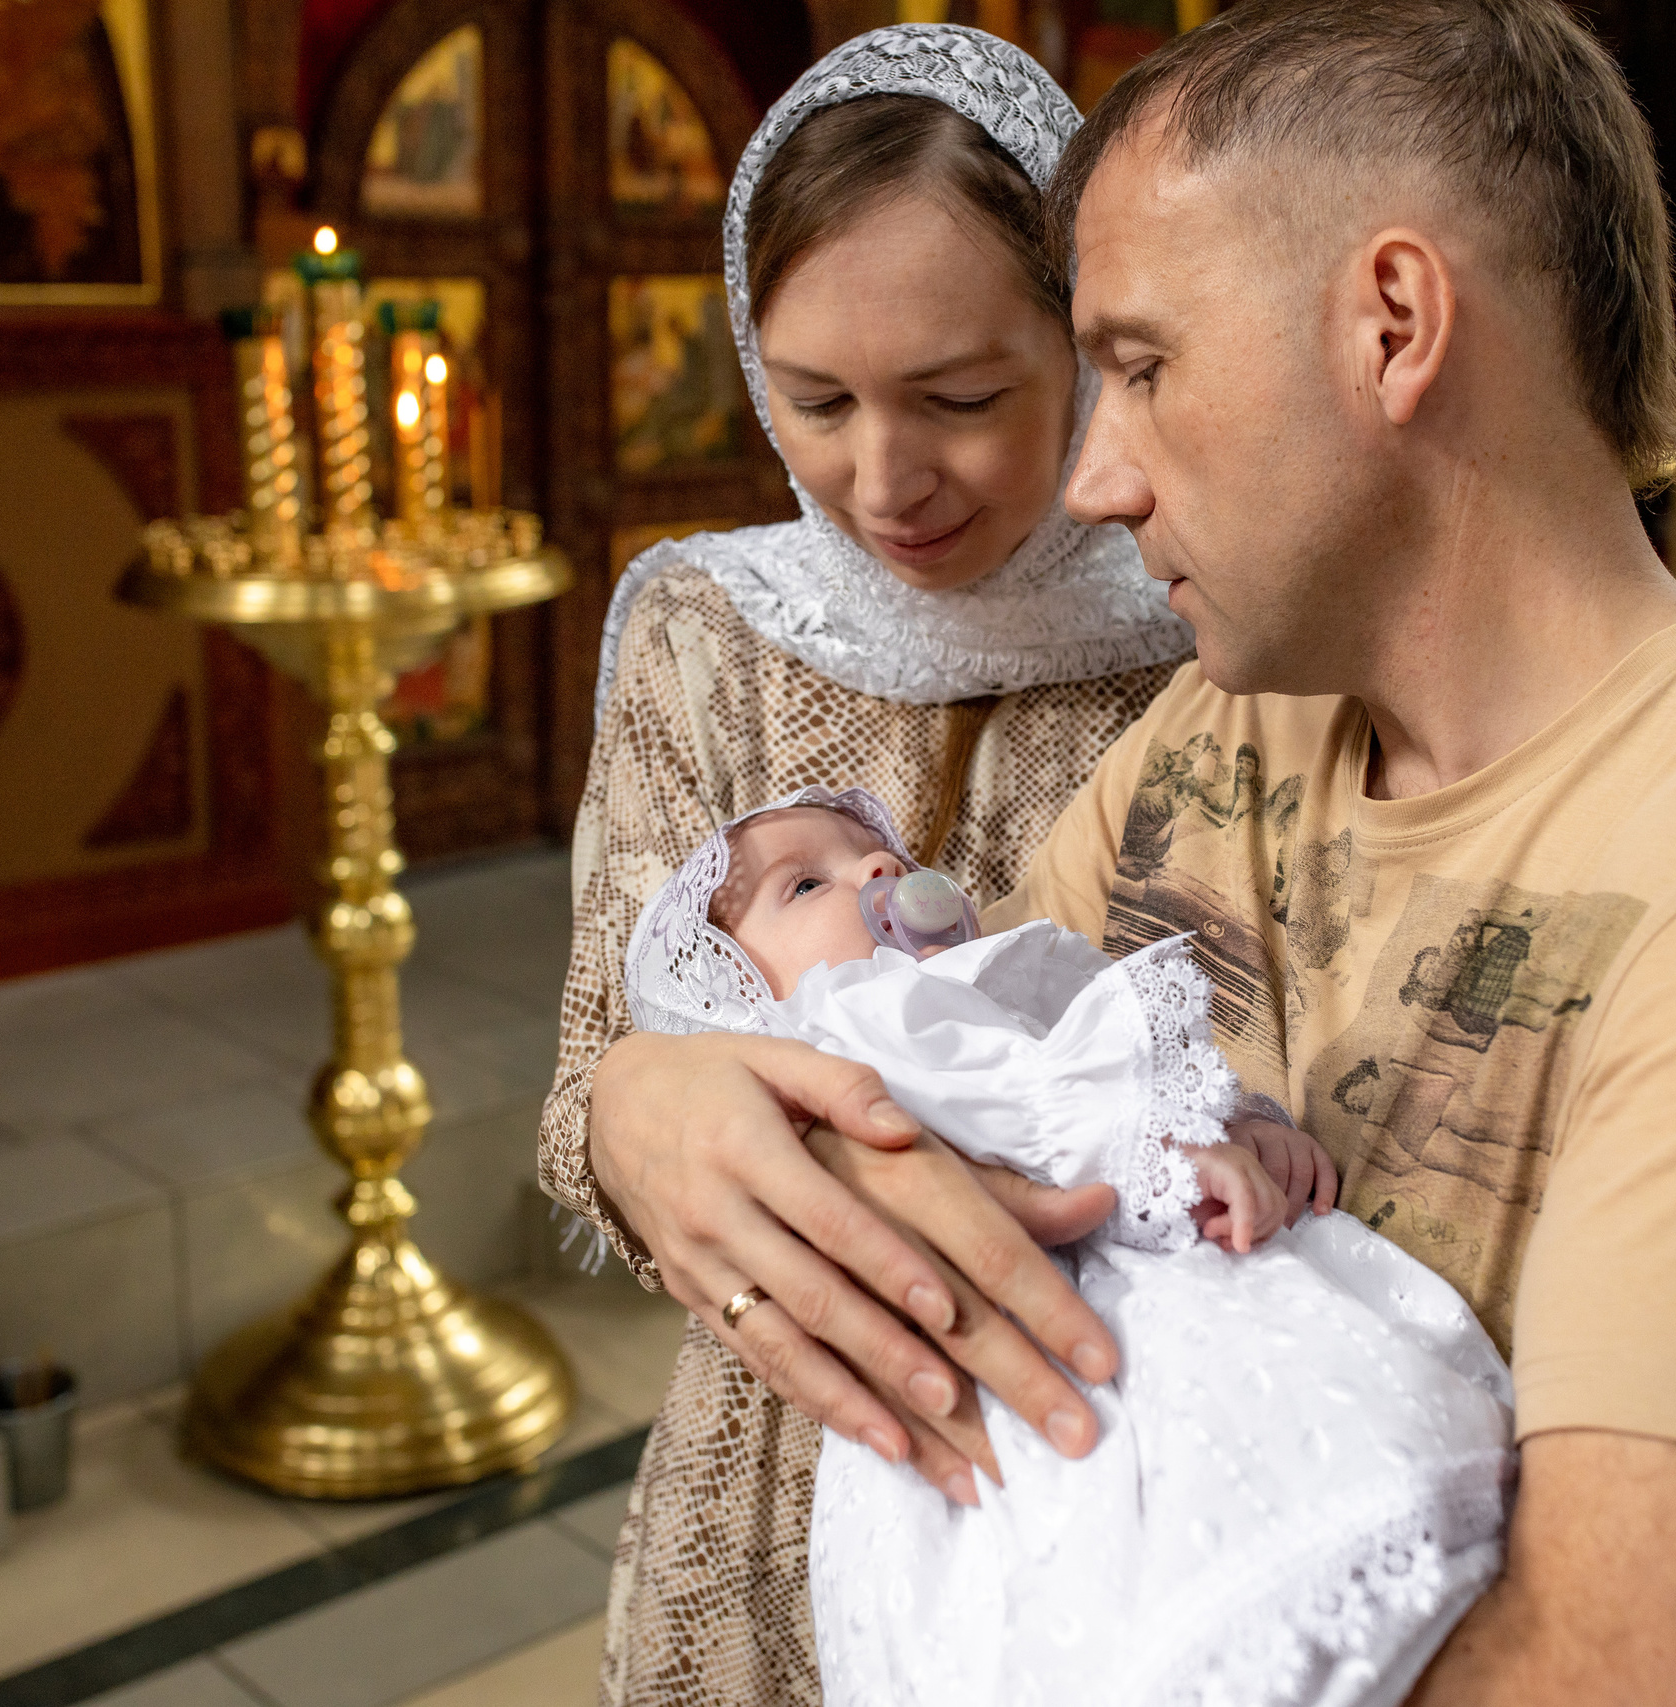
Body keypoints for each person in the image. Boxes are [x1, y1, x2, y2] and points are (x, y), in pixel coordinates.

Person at [585, 3, 1676, 1703]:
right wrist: (647, 1102)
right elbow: (953, 1096)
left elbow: (1630, 1674)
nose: (1096, 478)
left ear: (1393, 326)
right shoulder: (1229, 723)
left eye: (1143, 365)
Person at [535, 26, 1198, 1707]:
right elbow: (588, 1081)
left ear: (1086, 343)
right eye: (817, 400)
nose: (884, 481)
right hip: (780, 1432)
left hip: (1115, 1435)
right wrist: (632, 1107)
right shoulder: (710, 634)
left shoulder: (1212, 636)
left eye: (962, 400)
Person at [630, 787, 1513, 1707]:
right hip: (1054, 1320)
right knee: (1122, 1530)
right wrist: (1168, 1150)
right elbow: (1032, 1107)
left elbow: (1111, 1066)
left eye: (871, 850)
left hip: (1124, 1259)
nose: (879, 867)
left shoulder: (971, 984)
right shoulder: (851, 1020)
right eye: (807, 884)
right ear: (741, 1003)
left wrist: (1236, 1123)